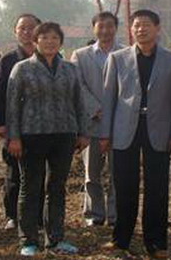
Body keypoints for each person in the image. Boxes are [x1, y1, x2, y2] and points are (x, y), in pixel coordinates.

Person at [100, 9, 171, 258]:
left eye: (146, 24)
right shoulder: (117, 59)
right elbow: (108, 98)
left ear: (157, 28)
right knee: (124, 186)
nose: (141, 29)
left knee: (157, 188)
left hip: (158, 129)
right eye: (136, 25)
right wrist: (105, 133)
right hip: (125, 129)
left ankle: (156, 242)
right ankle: (121, 239)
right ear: (131, 29)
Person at [7, 22, 89, 256]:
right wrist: (14, 137)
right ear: (35, 42)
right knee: (30, 186)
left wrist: (83, 132)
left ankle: (56, 238)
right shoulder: (22, 69)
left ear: (61, 42)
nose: (50, 42)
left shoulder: (70, 69)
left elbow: (79, 102)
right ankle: (28, 240)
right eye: (44, 38)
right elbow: (12, 106)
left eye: (54, 38)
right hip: (31, 135)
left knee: (57, 187)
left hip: (64, 134)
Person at [0, 14, 43, 231]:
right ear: (16, 32)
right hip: (15, 125)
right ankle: (13, 215)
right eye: (22, 28)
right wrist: (0, 123)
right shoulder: (8, 60)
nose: (27, 32)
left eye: (32, 28)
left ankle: (38, 216)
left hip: (43, 126)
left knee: (40, 172)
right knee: (14, 172)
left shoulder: (50, 57)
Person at [70, 12, 123, 227]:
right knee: (92, 174)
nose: (105, 30)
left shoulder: (126, 53)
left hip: (119, 123)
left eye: (109, 26)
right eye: (100, 26)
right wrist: (96, 108)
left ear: (116, 28)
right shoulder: (80, 55)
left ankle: (115, 214)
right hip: (91, 123)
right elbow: (77, 85)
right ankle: (94, 213)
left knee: (117, 173)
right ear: (94, 29)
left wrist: (113, 109)